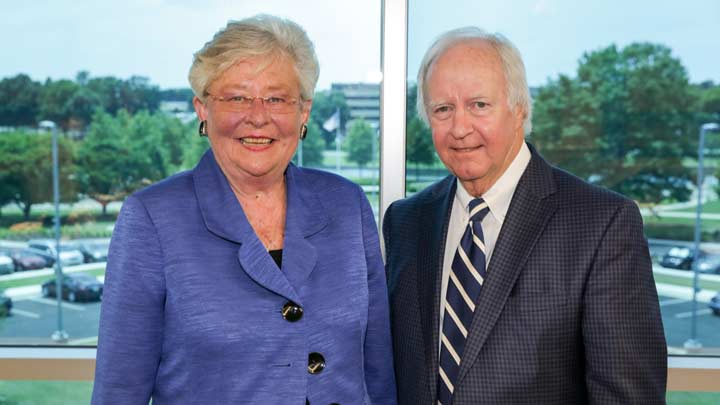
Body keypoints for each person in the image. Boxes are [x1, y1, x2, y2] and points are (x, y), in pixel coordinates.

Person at [92, 15, 396, 404]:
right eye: (237, 97)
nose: (258, 116)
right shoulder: (152, 218)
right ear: (203, 109)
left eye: (276, 98)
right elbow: (120, 390)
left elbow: (380, 375)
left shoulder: (347, 205)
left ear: (303, 111)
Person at [383, 27, 667, 404]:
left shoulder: (602, 224)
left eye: (479, 105)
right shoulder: (406, 221)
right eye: (443, 109)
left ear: (520, 108)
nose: (460, 127)